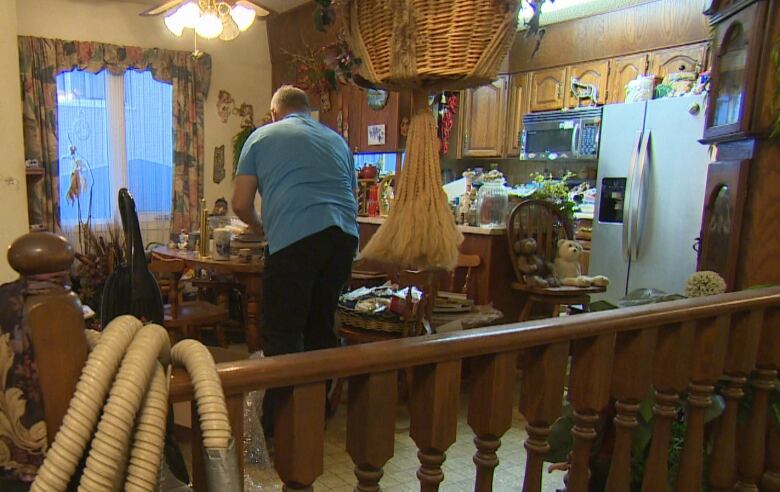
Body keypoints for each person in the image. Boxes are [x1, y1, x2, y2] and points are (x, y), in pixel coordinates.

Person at [231, 85, 358, 438]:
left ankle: (280, 426)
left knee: (283, 335)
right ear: (307, 110)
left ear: (275, 113)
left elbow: (241, 203)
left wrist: (263, 226)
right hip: (343, 238)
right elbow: (352, 195)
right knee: (320, 329)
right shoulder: (336, 140)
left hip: (295, 238)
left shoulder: (262, 137)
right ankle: (315, 418)